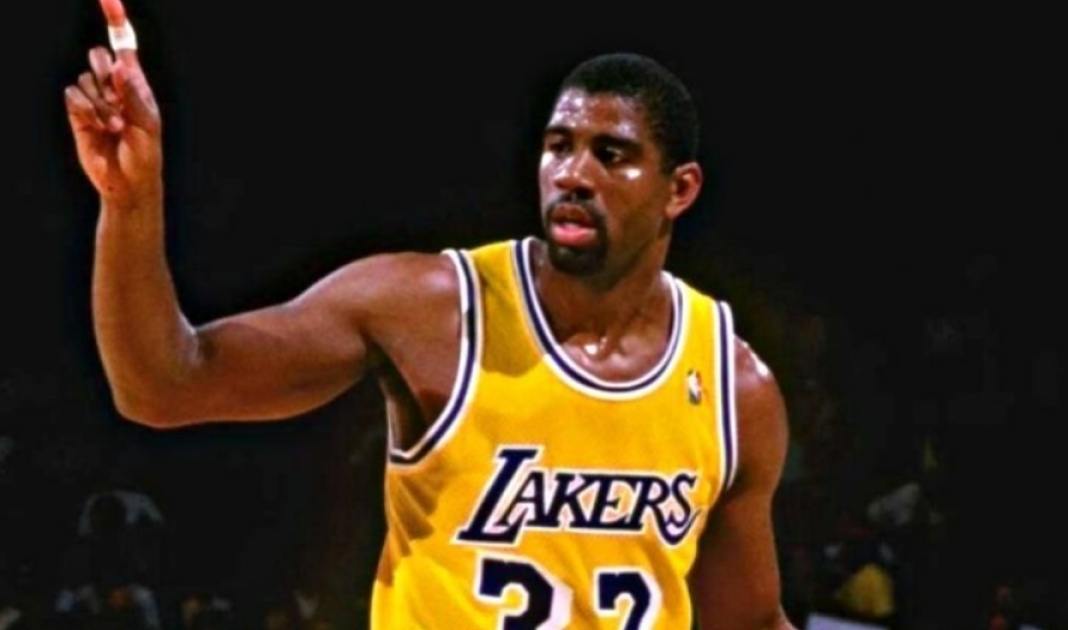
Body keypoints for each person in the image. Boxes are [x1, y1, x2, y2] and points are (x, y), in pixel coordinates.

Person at [64, 0, 798, 627]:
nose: (574, 173)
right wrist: (130, 202)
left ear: (680, 189)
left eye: (612, 154)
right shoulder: (432, 312)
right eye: (559, 146)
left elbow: (748, 621)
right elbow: (163, 386)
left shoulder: (734, 388)